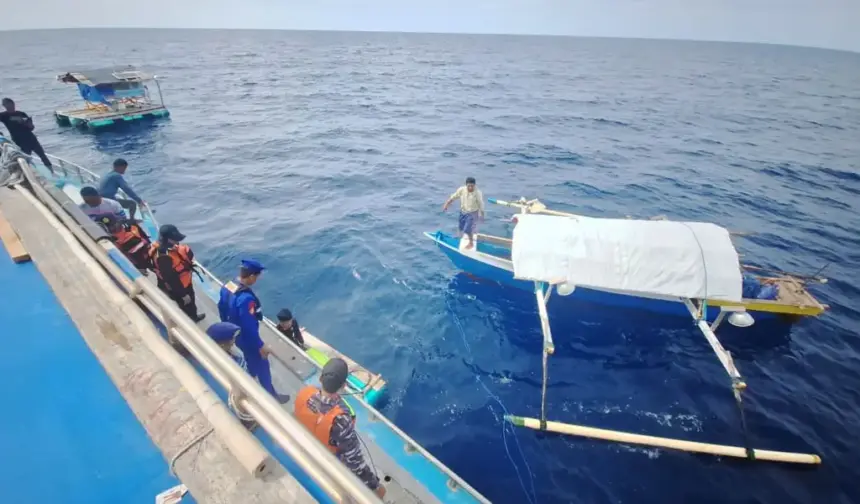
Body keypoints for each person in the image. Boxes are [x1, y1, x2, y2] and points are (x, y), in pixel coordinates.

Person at [295, 358, 385, 499]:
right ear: (343, 385)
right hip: (330, 458)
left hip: (309, 447)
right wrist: (375, 486)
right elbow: (355, 463)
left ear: (320, 378)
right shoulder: (341, 420)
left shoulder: (304, 393)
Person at [218, 259, 289, 403]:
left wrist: (227, 328)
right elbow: (249, 325)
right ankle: (271, 396)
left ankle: (251, 373)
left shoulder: (229, 285)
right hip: (246, 338)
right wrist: (260, 345)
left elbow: (221, 306)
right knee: (262, 363)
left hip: (234, 334)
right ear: (250, 277)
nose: (257, 279)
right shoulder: (246, 299)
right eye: (256, 276)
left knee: (249, 358)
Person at [206, 321, 258, 430]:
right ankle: (248, 423)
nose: (233, 342)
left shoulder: (234, 354)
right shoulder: (223, 365)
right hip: (238, 393)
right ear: (221, 344)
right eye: (231, 340)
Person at [149, 224, 205, 322]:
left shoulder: (167, 248)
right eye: (174, 239)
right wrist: (183, 294)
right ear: (167, 239)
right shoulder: (163, 257)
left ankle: (193, 316)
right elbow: (170, 278)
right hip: (179, 287)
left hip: (184, 282)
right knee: (187, 305)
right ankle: (191, 321)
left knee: (190, 303)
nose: (177, 241)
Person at [0, 98, 53, 172]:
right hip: (19, 141)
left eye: (11, 104)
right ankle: (28, 174)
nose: (10, 106)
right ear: (4, 106)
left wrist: (26, 123)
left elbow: (31, 127)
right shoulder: (4, 116)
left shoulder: (21, 114)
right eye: (6, 104)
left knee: (43, 156)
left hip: (31, 138)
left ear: (13, 104)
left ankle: (51, 172)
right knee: (26, 159)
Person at [442, 176, 484, 250]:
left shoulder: (477, 193)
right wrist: (446, 204)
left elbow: (481, 204)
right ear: (466, 185)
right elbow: (453, 197)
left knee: (467, 229)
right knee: (461, 227)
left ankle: (471, 243)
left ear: (475, 185)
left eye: (472, 186)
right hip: (463, 212)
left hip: (472, 213)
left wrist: (482, 215)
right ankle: (464, 236)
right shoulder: (462, 190)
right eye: (469, 186)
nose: (470, 188)